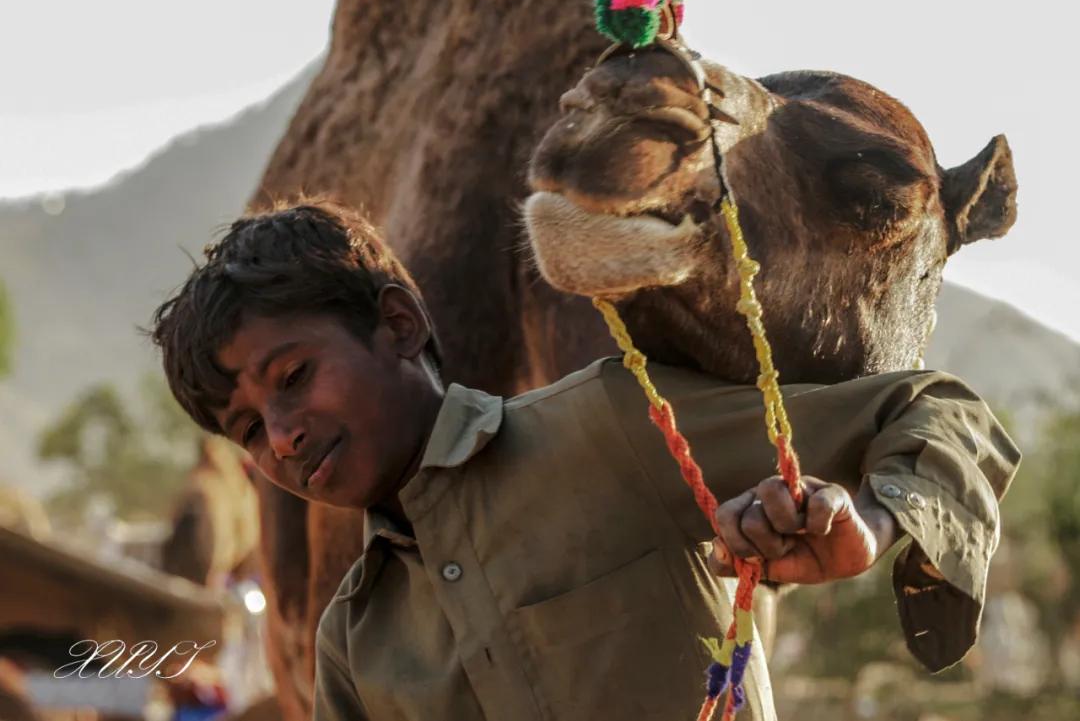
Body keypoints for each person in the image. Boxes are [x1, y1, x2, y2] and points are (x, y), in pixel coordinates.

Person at [150, 200, 1020, 721]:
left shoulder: (605, 429)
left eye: (293, 377)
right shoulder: (353, 640)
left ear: (399, 325)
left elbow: (939, 410)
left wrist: (865, 523)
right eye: (249, 428)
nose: (284, 435)